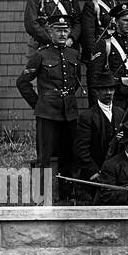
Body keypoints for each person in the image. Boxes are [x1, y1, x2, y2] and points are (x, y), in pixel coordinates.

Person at [16, 13, 84, 199]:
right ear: (50, 32)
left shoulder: (74, 54)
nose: (63, 34)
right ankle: (41, 196)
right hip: (47, 114)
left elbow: (75, 82)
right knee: (44, 158)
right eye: (58, 30)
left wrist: (66, 97)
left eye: (66, 30)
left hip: (69, 112)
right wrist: (38, 104)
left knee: (68, 156)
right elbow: (22, 82)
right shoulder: (41, 55)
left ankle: (66, 194)